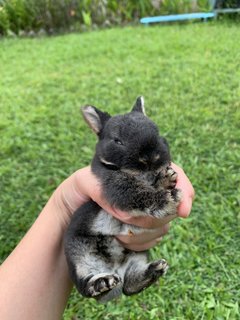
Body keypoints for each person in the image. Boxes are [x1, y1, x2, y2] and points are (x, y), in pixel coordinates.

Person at [0, 163, 194, 320]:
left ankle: (134, 276)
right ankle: (97, 281)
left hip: (111, 238)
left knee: (134, 246)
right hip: (90, 237)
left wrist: (65, 205)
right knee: (86, 259)